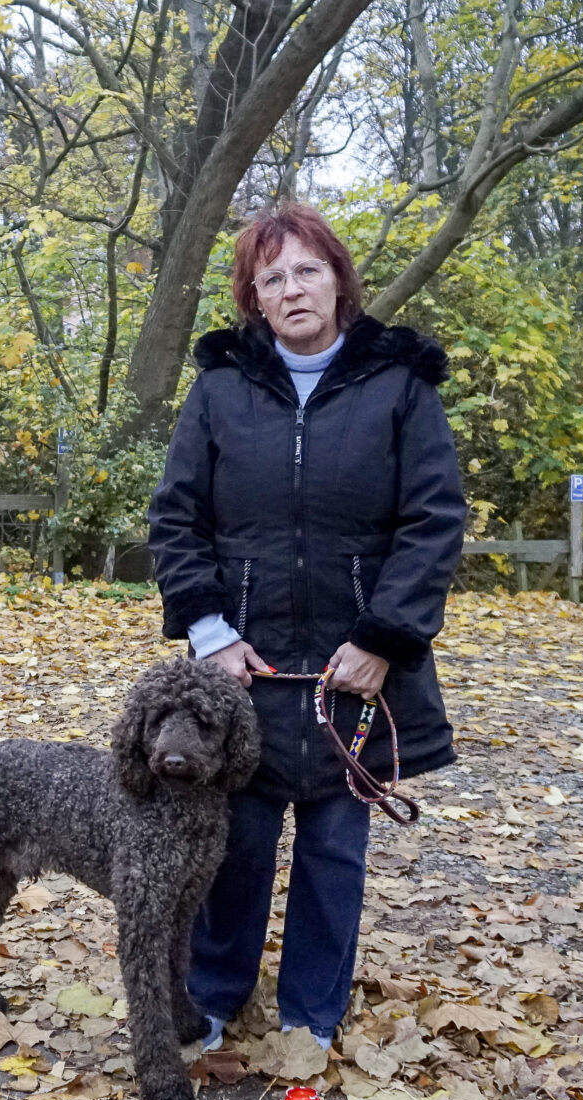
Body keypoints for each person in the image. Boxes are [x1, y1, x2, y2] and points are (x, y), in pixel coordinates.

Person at [147, 204, 466, 1054]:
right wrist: (210, 632)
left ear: (338, 279)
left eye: (307, 271)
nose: (292, 288)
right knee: (235, 845)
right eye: (272, 276)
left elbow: (433, 524)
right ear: (255, 296)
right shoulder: (219, 392)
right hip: (240, 674)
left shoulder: (401, 388)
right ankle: (211, 999)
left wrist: (382, 639)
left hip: (353, 672)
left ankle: (309, 1018)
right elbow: (177, 519)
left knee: (334, 850)